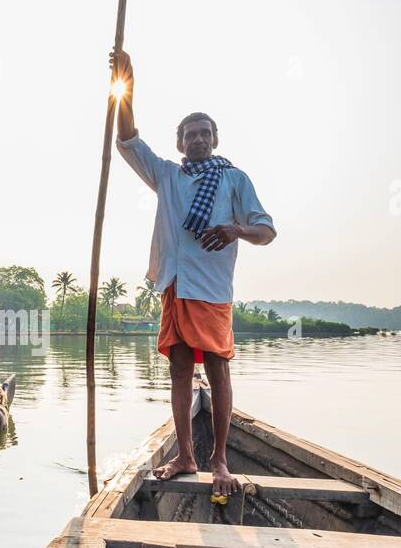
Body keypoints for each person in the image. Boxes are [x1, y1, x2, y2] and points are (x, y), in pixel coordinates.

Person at [111, 48, 278, 494]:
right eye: (191, 134)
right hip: (175, 285)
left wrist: (234, 229)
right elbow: (127, 140)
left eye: (205, 133)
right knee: (179, 370)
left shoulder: (234, 179)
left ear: (215, 140)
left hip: (212, 291)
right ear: (180, 142)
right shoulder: (167, 175)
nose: (199, 139)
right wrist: (125, 85)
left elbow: (267, 231)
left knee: (219, 373)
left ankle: (220, 461)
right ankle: (185, 456)